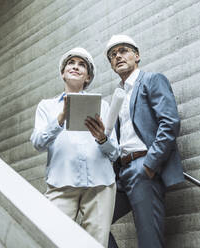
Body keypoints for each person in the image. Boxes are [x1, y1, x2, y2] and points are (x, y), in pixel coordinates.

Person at [30, 47, 119, 247]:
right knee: (53, 240)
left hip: (100, 184)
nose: (76, 67)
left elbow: (115, 153)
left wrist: (102, 138)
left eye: (82, 65)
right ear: (63, 72)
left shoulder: (103, 107)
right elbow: (37, 143)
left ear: (87, 77)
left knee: (95, 244)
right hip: (61, 183)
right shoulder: (46, 106)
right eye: (71, 63)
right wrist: (60, 118)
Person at [105, 35, 185, 248]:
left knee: (149, 240)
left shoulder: (152, 80)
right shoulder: (117, 96)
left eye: (123, 50)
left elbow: (169, 123)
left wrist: (150, 165)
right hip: (121, 174)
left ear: (136, 55)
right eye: (113, 55)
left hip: (143, 168)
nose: (118, 56)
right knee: (94, 223)